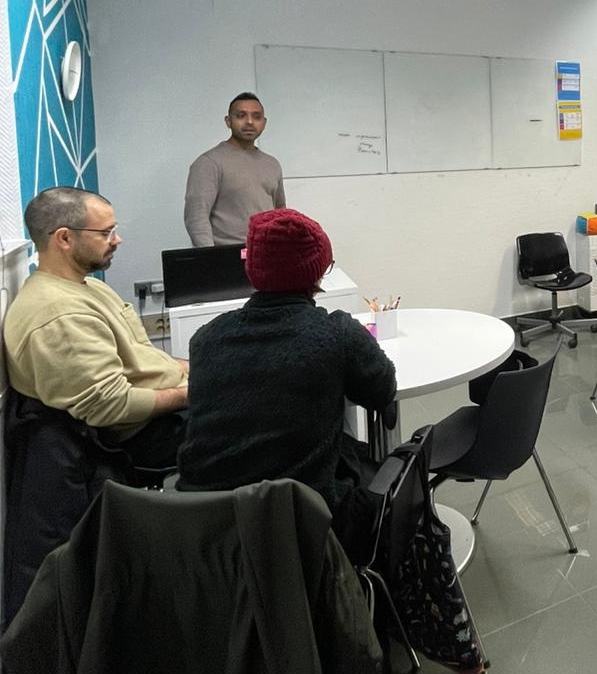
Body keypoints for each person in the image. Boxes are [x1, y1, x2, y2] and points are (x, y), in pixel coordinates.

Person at [177, 207, 396, 561]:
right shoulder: (336, 333)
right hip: (301, 527)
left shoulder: (205, 339)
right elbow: (382, 390)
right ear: (317, 273)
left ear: (252, 268)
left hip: (206, 532)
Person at [4, 187, 188, 461]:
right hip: (149, 434)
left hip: (169, 410)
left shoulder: (88, 287)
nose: (117, 240)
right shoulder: (59, 316)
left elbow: (142, 356)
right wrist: (192, 393)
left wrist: (205, 369)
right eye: (105, 233)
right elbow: (111, 405)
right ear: (64, 238)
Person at [184, 92, 285, 247]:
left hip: (267, 254)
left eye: (256, 117)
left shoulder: (272, 164)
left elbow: (281, 213)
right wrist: (211, 257)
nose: (249, 122)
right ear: (228, 121)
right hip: (227, 256)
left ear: (264, 123)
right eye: (241, 116)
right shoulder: (209, 163)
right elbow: (196, 218)